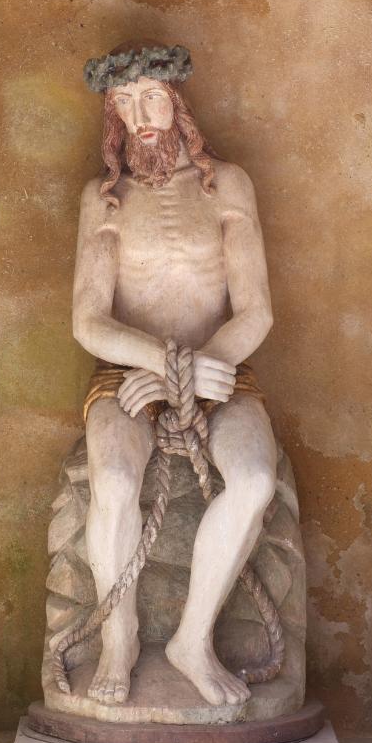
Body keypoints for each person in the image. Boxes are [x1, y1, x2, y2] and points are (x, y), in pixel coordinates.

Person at [72, 42, 277, 707]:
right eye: (125, 104)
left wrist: (199, 369)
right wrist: (163, 368)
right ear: (114, 117)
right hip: (127, 378)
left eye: (152, 98)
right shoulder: (103, 200)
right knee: (114, 478)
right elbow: (88, 321)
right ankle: (120, 634)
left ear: (178, 102)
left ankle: (193, 639)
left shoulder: (229, 184)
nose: (142, 116)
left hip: (222, 373)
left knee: (252, 478)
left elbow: (256, 311)